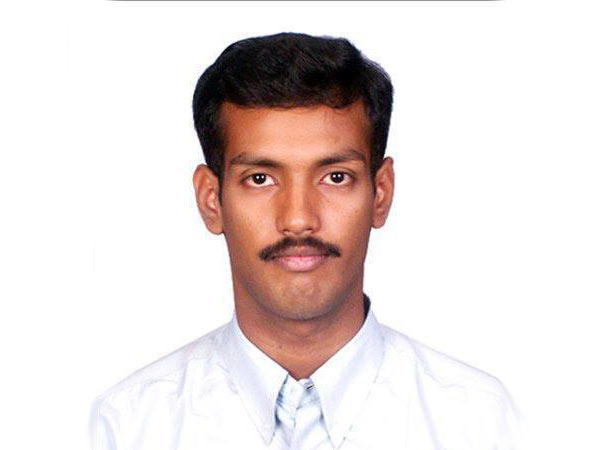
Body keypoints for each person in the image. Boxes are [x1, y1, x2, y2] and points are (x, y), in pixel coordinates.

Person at [90, 32, 520, 450]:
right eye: (260, 179)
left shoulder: (483, 425)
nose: (298, 220)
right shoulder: (128, 428)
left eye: (336, 177)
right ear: (211, 200)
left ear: (381, 193)